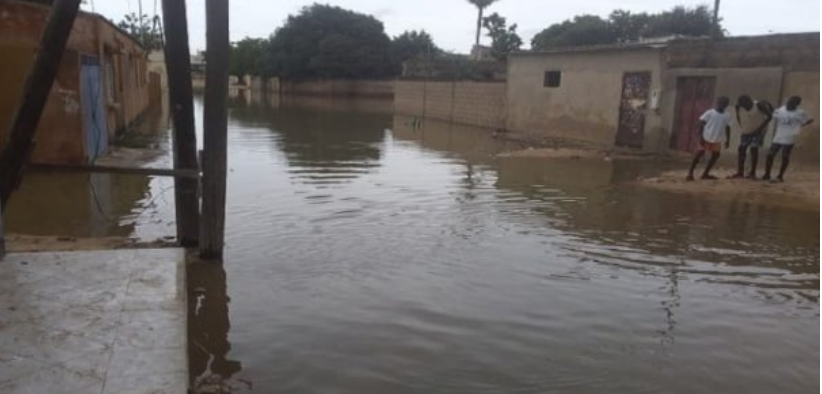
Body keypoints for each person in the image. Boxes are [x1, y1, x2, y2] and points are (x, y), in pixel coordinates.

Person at [762, 96, 814, 182]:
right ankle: (767, 174)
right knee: (770, 154)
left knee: (785, 155)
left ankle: (780, 175)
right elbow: (773, 114)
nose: (789, 104)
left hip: (790, 136)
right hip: (779, 135)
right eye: (788, 102)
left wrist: (800, 125)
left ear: (797, 104)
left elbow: (810, 119)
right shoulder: (782, 109)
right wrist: (768, 106)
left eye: (791, 103)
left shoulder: (800, 113)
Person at [687, 96, 732, 181]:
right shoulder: (710, 113)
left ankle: (705, 173)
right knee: (698, 155)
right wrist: (701, 137)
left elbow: (728, 128)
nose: (722, 105)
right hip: (706, 137)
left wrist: (728, 140)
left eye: (724, 104)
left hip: (717, 139)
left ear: (726, 105)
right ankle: (690, 173)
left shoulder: (727, 115)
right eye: (720, 103)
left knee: (715, 156)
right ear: (717, 103)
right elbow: (701, 124)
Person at [729, 95, 773, 179]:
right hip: (746, 131)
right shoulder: (738, 107)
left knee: (754, 148)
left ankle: (752, 172)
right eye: (743, 105)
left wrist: (760, 128)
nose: (744, 107)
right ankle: (740, 172)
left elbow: (770, 116)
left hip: (758, 132)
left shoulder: (759, 105)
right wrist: (742, 125)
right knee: (741, 148)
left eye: (746, 104)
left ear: (750, 101)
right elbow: (738, 116)